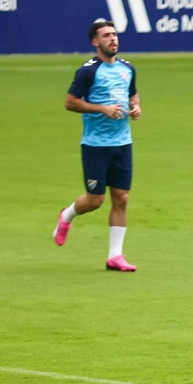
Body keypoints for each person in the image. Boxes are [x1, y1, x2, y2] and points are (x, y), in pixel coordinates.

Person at [53, 18, 141, 271]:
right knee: (95, 200)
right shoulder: (88, 71)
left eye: (114, 34)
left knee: (122, 198)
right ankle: (67, 215)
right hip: (95, 145)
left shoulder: (128, 68)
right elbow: (70, 102)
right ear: (95, 42)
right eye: (106, 36)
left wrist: (136, 107)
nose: (112, 39)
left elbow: (132, 92)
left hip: (123, 143)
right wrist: (101, 108)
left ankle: (115, 256)